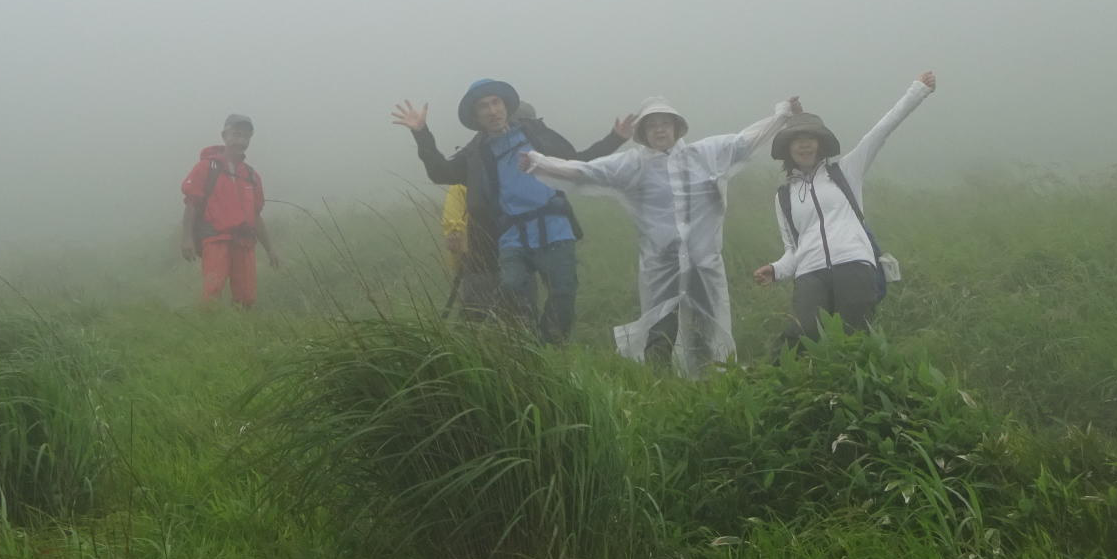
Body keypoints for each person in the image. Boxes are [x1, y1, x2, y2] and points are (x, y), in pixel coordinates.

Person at [522, 94, 800, 376]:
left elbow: (746, 140)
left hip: (703, 261)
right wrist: (539, 163)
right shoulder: (634, 164)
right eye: (652, 125)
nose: (659, 129)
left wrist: (781, 114)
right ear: (642, 133)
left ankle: (712, 377)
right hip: (660, 263)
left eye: (665, 123)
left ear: (677, 128)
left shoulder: (705, 154)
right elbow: (586, 171)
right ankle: (658, 376)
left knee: (709, 320)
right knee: (660, 323)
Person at [391, 80, 626, 342]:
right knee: (512, 291)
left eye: (496, 103)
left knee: (563, 293)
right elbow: (440, 172)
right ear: (476, 116)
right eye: (483, 106)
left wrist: (615, 138)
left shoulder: (536, 135)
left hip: (555, 228)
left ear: (505, 106)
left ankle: (551, 348)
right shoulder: (476, 152)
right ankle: (527, 349)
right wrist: (421, 133)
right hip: (511, 235)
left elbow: (578, 162)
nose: (492, 111)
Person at [755, 72, 938, 342]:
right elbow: (794, 250)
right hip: (809, 273)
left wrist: (917, 91)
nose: (804, 144)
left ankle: (856, 383)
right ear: (788, 148)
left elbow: (882, 130)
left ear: (820, 145)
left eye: (810, 138)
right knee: (803, 333)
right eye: (797, 139)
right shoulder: (784, 196)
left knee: (854, 337)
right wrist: (776, 269)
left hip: (853, 264)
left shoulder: (845, 172)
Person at [180, 113, 280, 307]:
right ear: (224, 135)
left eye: (245, 136)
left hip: (244, 241)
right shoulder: (206, 167)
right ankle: (208, 333)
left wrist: (270, 250)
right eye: (236, 134)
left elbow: (256, 215)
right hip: (215, 239)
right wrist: (187, 238)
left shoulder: (252, 176)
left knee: (247, 297)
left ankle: (240, 333)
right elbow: (191, 203)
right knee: (212, 292)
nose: (240, 141)